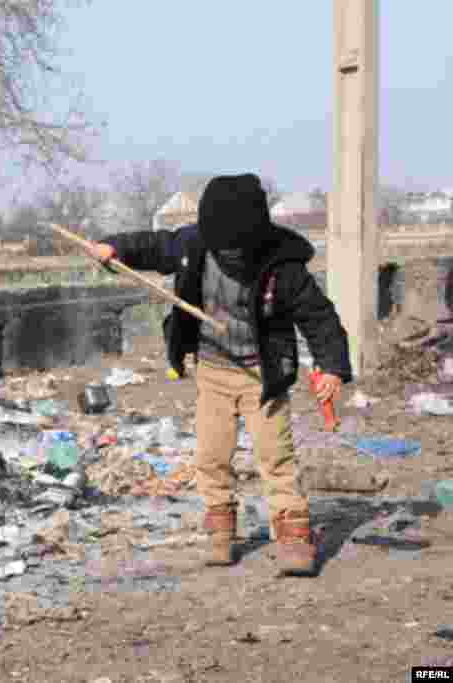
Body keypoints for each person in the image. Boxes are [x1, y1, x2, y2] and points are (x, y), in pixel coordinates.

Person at [87, 173, 352, 576]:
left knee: (275, 456)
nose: (230, 255)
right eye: (222, 248)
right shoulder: (194, 245)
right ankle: (220, 530)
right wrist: (115, 248)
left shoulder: (283, 266)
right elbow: (153, 246)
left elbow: (319, 318)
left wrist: (331, 365)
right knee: (211, 456)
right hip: (212, 369)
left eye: (238, 250)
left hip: (263, 377)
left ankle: (294, 534)